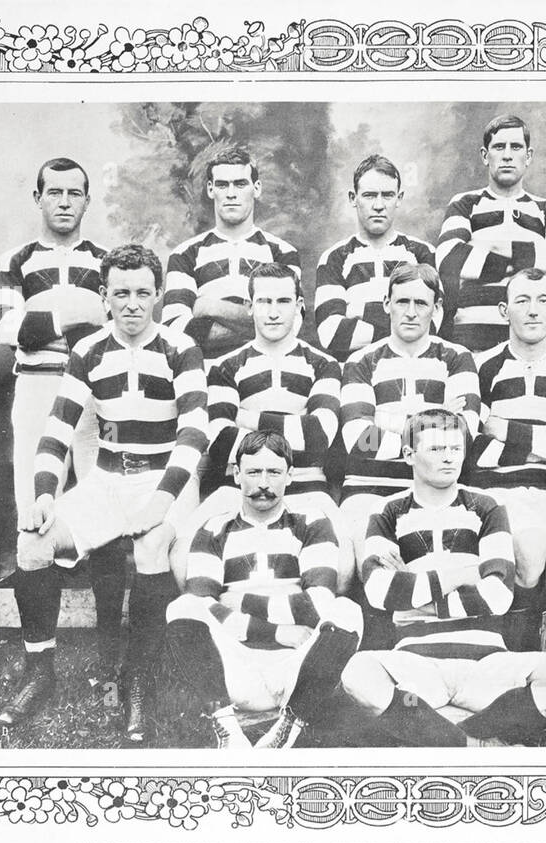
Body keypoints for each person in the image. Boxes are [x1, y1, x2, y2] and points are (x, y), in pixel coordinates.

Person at [0, 244, 209, 746]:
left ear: (158, 294)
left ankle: (137, 682)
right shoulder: (88, 350)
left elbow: (195, 433)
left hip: (168, 480)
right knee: (33, 543)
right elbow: (56, 432)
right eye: (120, 293)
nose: (132, 303)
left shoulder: (181, 350)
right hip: (107, 479)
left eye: (142, 292)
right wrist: (46, 494)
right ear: (104, 296)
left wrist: (162, 500)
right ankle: (39, 672)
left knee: (151, 547)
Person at [341, 409, 546, 746]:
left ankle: (450, 735)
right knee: (358, 673)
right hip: (417, 665)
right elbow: (382, 594)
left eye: (455, 449)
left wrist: (416, 589)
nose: (449, 458)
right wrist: (469, 572)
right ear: (409, 454)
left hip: (486, 664)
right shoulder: (387, 510)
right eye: (437, 449)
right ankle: (472, 745)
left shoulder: (487, 506)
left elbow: (498, 596)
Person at [0, 159, 127, 692]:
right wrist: (76, 315)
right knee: (33, 520)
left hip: (95, 392)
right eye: (55, 192)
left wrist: (46, 321)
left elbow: (117, 324)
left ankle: (111, 661)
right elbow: (6, 328)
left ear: (88, 202)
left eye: (75, 193)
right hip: (38, 389)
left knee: (108, 515)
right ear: (38, 196)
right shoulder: (16, 260)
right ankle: (38, 668)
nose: (65, 201)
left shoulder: (105, 260)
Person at [164, 431, 363, 749]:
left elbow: (318, 604)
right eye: (254, 472)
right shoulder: (214, 528)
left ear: (290, 476)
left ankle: (288, 728)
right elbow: (201, 602)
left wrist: (239, 601)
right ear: (237, 474)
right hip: (235, 670)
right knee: (182, 606)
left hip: (296, 671)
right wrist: (278, 632)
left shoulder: (312, 522)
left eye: (274, 472)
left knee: (347, 611)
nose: (264, 483)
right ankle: (226, 728)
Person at [175, 263, 350, 589]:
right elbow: (221, 442)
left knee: (341, 574)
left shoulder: (324, 365)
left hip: (307, 487)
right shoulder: (225, 367)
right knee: (182, 561)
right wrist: (294, 424)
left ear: (299, 306)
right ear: (250, 306)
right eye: (264, 302)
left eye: (283, 302)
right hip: (238, 488)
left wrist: (245, 417)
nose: (273, 313)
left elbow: (318, 437)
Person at [472, 268, 546, 655]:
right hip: (501, 490)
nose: (533, 311)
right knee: (532, 550)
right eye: (522, 301)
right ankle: (515, 657)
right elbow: (472, 448)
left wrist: (501, 427)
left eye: (543, 300)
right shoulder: (480, 367)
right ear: (505, 310)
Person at [338, 263, 480, 562]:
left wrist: (383, 419)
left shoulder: (456, 358)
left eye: (421, 303)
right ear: (387, 304)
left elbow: (464, 433)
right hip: (369, 488)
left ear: (436, 308)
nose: (411, 312)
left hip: (434, 490)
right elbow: (359, 439)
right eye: (403, 301)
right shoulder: (361, 361)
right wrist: (435, 415)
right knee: (376, 563)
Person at [435, 114, 546, 353]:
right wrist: (528, 257)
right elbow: (448, 257)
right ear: (485, 155)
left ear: (528, 156)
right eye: (499, 147)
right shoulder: (465, 203)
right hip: (473, 336)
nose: (508, 155)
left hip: (529, 339)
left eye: (516, 147)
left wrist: (489, 250)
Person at [161, 146, 301, 359]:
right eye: (222, 185)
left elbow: (289, 324)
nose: (231, 193)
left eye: (240, 184)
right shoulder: (185, 254)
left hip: (264, 367)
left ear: (257, 188)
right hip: (205, 369)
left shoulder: (282, 253)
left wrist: (209, 307)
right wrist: (256, 326)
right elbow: (174, 328)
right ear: (210, 189)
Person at [314, 155, 436, 363]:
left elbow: (432, 325)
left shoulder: (422, 254)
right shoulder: (334, 258)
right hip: (354, 369)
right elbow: (331, 332)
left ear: (399, 198)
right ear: (354, 198)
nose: (378, 205)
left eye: (387, 195)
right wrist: (402, 327)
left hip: (411, 366)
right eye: (369, 195)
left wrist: (356, 311)